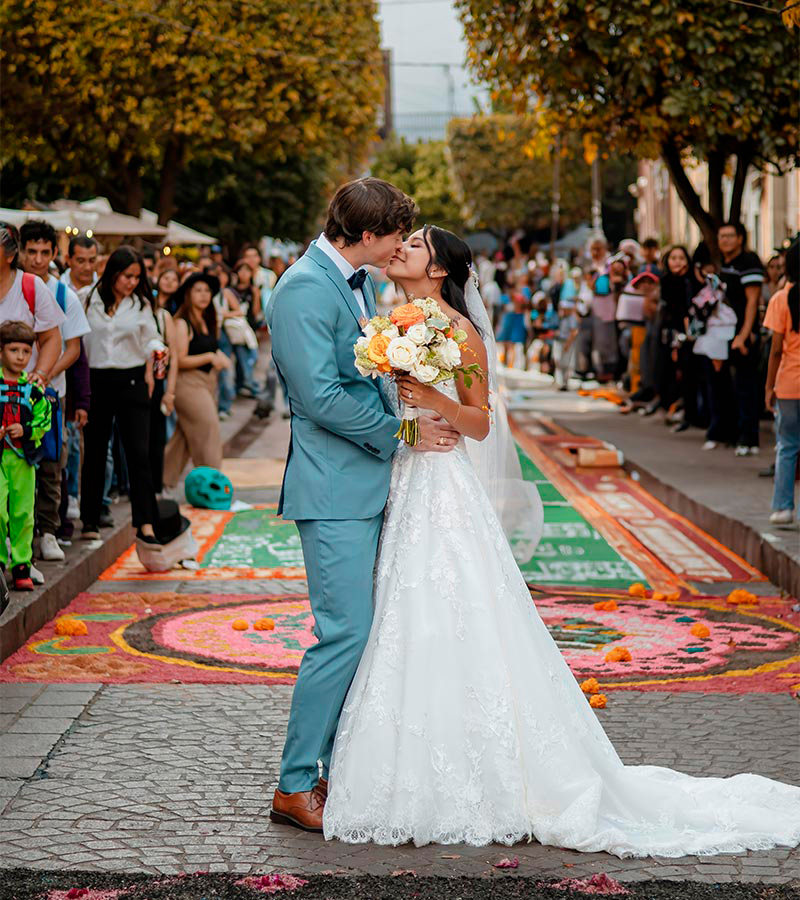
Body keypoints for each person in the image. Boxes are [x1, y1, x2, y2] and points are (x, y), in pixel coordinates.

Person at [321, 222, 800, 856]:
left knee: (451, 605)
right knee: (403, 609)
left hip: (444, 484)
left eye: (414, 246)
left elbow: (480, 422)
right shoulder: (391, 320)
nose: (401, 249)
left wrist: (433, 395)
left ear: (438, 270)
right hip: (407, 476)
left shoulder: (459, 331)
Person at [266, 178, 459, 832]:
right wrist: (401, 433)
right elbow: (318, 397)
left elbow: (362, 377)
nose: (401, 247)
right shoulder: (302, 288)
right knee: (343, 632)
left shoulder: (356, 282)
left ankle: (332, 768)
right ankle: (294, 784)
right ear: (367, 234)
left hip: (368, 480)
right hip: (332, 488)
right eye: (396, 236)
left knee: (364, 632)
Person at [19, 220, 91, 562]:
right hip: (10, 391)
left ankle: (48, 530)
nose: (37, 259)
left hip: (49, 393)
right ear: (18, 252)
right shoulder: (12, 288)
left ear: (53, 254)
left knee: (51, 464)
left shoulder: (64, 295)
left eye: (44, 252)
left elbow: (73, 349)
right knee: (14, 465)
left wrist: (43, 374)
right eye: (31, 251)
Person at [80, 246, 160, 543]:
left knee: (139, 452)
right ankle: (90, 519)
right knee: (95, 451)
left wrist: (157, 351)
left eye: (137, 277)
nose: (132, 282)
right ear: (113, 273)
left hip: (131, 379)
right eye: (127, 276)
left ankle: (146, 522)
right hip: (97, 380)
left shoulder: (140, 304)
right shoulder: (87, 298)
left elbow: (151, 337)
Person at [162, 272, 231, 488]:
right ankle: (212, 485)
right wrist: (209, 357)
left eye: (207, 291)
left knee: (182, 438)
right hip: (187, 384)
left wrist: (218, 356)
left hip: (207, 383)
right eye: (198, 291)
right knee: (209, 431)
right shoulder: (182, 323)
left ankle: (161, 481)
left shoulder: (208, 320)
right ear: (188, 295)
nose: (203, 295)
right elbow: (179, 359)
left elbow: (211, 348)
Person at [0, 322, 51, 590]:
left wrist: (27, 429)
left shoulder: (32, 389)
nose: (20, 357)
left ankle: (22, 565)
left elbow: (44, 419)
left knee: (22, 512)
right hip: (0, 458)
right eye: (13, 350)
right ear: (1, 351)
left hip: (22, 459)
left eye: (26, 351)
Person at [714, 222, 765, 456]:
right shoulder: (725, 264)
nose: (724, 240)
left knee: (746, 387)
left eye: (729, 235)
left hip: (743, 335)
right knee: (729, 387)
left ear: (740, 238)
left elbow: (753, 302)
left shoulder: (749, 262)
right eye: (721, 236)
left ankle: (749, 438)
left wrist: (743, 335)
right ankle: (733, 434)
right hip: (724, 333)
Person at [0, 223, 65, 389]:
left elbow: (52, 338)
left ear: (10, 256)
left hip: (21, 394)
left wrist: (39, 374)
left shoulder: (31, 286)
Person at [764, 239, 799, 527]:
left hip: (788, 382)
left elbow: (775, 350)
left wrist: (769, 386)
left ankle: (783, 508)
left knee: (787, 446)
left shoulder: (780, 299)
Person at [149, 273, 179, 495]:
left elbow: (174, 357)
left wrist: (170, 392)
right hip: (132, 384)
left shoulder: (162, 316)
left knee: (158, 436)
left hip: (158, 383)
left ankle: (156, 487)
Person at [61, 236, 98, 300]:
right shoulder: (57, 288)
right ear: (68, 260)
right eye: (81, 261)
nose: (87, 267)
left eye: (92, 261)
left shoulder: (104, 289)